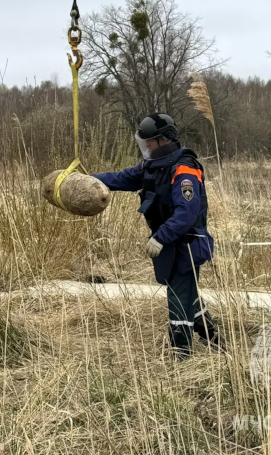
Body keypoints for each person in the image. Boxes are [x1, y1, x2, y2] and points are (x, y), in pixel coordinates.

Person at [92, 113, 221, 358]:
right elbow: (122, 178)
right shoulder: (151, 165)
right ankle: (216, 341)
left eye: (150, 141)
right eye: (145, 141)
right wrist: (89, 179)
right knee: (189, 296)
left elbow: (187, 212)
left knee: (178, 299)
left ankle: (180, 354)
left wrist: (160, 237)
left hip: (187, 244)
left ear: (165, 140)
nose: (147, 146)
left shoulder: (184, 169)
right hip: (170, 243)